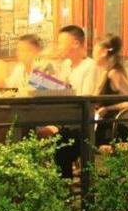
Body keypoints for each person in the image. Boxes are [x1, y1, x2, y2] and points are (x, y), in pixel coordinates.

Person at [38, 25, 98, 178]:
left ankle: (64, 187)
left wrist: (64, 88)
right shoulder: (66, 65)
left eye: (61, 42)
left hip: (81, 126)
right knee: (34, 135)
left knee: (60, 147)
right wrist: (47, 61)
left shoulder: (89, 66)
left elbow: (86, 98)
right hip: (62, 121)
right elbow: (48, 83)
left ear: (75, 43)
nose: (59, 47)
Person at [93, 35, 128, 146]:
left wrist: (107, 108)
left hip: (114, 130)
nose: (93, 54)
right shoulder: (105, 72)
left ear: (104, 52)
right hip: (104, 126)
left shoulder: (114, 73)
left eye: (95, 50)